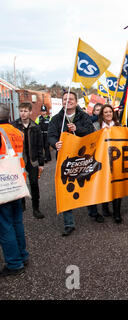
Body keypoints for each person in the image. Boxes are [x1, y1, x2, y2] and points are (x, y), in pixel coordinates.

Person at [48, 91, 104, 236]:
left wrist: (77, 129)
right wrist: (55, 144)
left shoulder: (84, 117)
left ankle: (93, 212)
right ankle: (69, 223)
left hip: (83, 158)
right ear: (62, 102)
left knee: (87, 183)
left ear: (76, 101)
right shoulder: (56, 119)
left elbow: (91, 133)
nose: (68, 101)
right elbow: (51, 136)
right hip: (66, 160)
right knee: (66, 187)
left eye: (71, 99)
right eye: (65, 99)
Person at [0, 103, 29, 276]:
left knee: (5, 226)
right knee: (16, 222)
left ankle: (14, 263)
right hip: (17, 182)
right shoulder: (16, 131)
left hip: (3, 186)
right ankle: (23, 255)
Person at [12, 103, 45, 219]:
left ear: (30, 112)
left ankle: (36, 208)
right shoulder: (14, 126)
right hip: (18, 160)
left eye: (25, 111)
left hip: (33, 160)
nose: (23, 113)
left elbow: (40, 146)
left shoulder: (35, 127)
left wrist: (41, 163)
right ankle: (21, 204)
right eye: (21, 111)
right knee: (19, 183)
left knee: (34, 183)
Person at [92, 104, 123, 224]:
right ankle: (105, 208)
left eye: (110, 111)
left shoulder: (118, 125)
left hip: (117, 160)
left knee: (117, 185)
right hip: (102, 160)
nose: (109, 114)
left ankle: (117, 213)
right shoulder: (96, 126)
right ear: (102, 115)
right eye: (106, 112)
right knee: (104, 185)